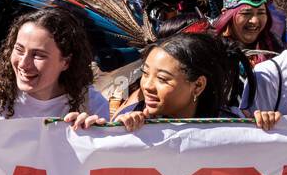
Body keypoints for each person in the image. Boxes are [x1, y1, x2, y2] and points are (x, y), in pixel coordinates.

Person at [69, 32, 242, 131]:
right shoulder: (132, 119)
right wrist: (102, 132)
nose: (148, 86)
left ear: (198, 85)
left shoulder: (234, 127)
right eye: (144, 74)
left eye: (162, 79)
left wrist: (267, 126)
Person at [0, 9, 109, 121]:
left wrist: (91, 135)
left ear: (66, 62)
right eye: (19, 50)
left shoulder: (92, 105)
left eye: (38, 55)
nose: (23, 63)